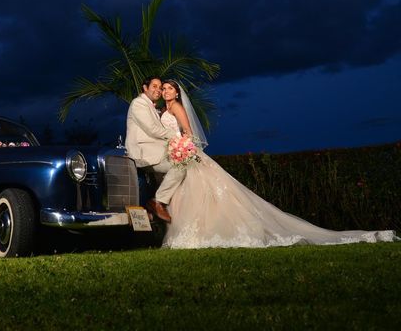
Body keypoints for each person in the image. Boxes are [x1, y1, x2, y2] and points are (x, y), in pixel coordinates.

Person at [158, 78, 397, 248]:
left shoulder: (177, 107)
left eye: (170, 89)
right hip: (179, 156)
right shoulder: (164, 108)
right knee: (187, 195)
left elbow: (189, 133)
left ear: (177, 93)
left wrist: (182, 149)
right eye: (165, 88)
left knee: (206, 194)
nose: (167, 91)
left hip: (186, 155)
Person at [125, 76, 184, 223]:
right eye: (155, 86)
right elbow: (152, 130)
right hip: (145, 154)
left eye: (160, 87)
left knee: (184, 165)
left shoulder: (151, 106)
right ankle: (158, 202)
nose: (158, 90)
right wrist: (176, 136)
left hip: (157, 151)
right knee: (180, 166)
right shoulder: (138, 103)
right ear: (145, 88)